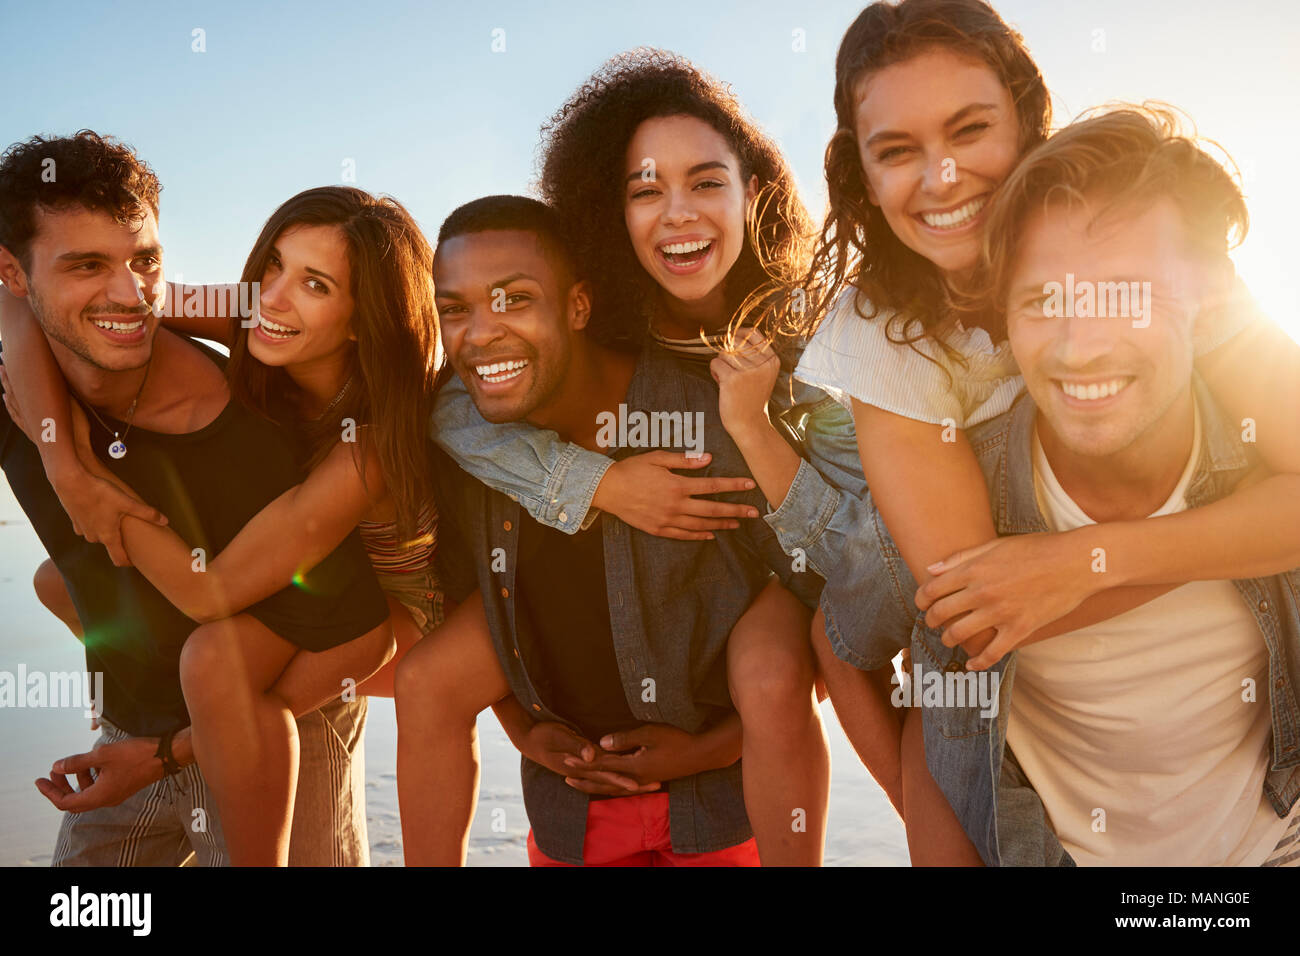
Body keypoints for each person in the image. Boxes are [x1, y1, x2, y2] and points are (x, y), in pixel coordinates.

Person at [747, 0, 1300, 864]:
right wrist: (954, 819)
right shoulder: (879, 331)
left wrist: (1089, 559)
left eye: (971, 130)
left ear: (1028, 121)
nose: (941, 178)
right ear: (861, 171)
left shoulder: (1150, 240)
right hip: (915, 528)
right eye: (897, 151)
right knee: (860, 634)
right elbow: (984, 607)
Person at [429, 49, 854, 864]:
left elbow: (843, 556)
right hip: (672, 604)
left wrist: (758, 424)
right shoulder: (609, 330)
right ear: (607, 211)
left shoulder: (810, 343)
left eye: (704, 183)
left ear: (751, 193)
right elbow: (458, 400)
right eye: (644, 189)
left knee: (771, 666)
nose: (677, 213)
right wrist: (601, 484)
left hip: (785, 569)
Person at [864, 106, 1300, 865]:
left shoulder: (1264, 451)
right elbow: (843, 644)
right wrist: (952, 814)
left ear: (1208, 298)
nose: (1081, 346)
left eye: (1128, 293)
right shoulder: (959, 498)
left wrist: (1082, 563)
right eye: (1042, 301)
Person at [0, 131, 391, 866]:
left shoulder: (274, 439)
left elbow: (361, 636)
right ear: (14, 274)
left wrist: (168, 753)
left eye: (145, 260)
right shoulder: (22, 380)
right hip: (134, 720)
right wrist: (62, 461)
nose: (129, 291)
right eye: (85, 264)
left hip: (278, 725)